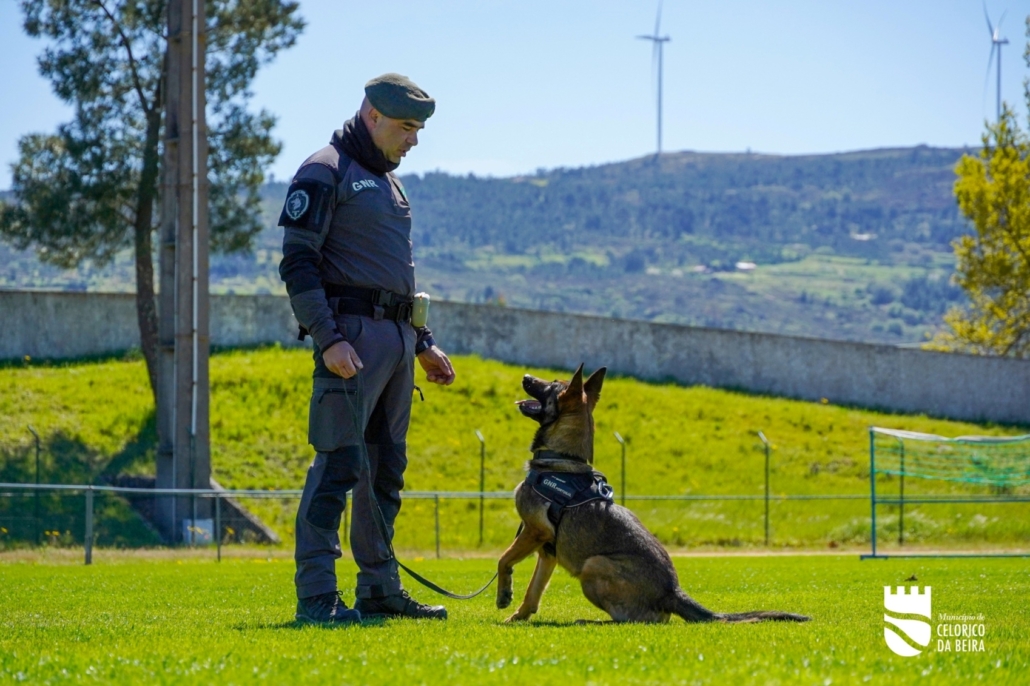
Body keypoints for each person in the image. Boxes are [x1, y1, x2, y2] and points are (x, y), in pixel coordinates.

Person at [278, 73, 456, 624]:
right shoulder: (324, 170)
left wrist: (422, 341)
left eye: (419, 129)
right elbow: (298, 264)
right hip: (350, 344)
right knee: (337, 467)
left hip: (399, 347)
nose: (414, 140)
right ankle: (317, 596)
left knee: (384, 473)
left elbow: (392, 275)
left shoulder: (390, 182)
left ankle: (379, 590)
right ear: (372, 115)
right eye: (406, 128)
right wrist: (328, 338)